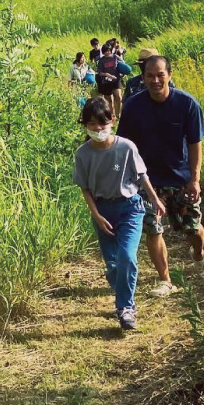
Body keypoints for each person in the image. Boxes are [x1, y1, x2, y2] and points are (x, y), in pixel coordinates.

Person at [116, 55, 204, 296]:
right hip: (147, 180)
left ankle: (198, 254)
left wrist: (195, 179)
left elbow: (195, 143)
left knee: (192, 228)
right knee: (153, 228)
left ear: (169, 75)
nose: (155, 80)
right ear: (143, 78)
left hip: (181, 178)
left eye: (160, 75)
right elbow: (125, 145)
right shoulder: (133, 106)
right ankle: (165, 280)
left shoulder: (187, 104)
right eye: (149, 76)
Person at [73, 97, 166, 331]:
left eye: (102, 123)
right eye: (92, 124)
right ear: (85, 125)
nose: (98, 129)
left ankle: (125, 308)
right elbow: (85, 188)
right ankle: (121, 289)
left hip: (129, 208)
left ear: (112, 121)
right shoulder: (83, 154)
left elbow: (141, 176)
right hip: (103, 211)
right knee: (114, 265)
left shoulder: (126, 147)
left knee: (127, 257)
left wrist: (155, 199)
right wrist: (96, 216)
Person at [95, 42, 131, 117]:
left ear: (111, 50)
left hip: (116, 79)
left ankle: (119, 115)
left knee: (119, 97)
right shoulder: (101, 60)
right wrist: (106, 74)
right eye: (106, 51)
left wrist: (122, 74)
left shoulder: (115, 57)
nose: (107, 52)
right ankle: (112, 115)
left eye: (109, 50)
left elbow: (123, 65)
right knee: (109, 100)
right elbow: (99, 72)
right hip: (106, 81)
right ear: (103, 52)